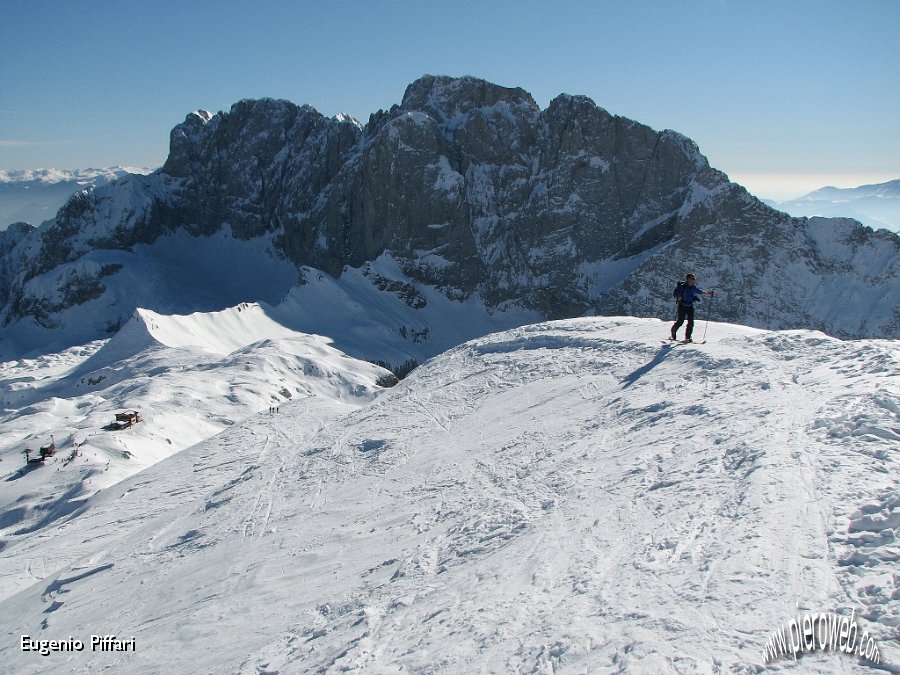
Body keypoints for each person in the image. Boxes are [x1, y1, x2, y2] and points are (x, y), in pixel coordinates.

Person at [671, 273, 714, 342]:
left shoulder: (692, 287)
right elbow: (675, 294)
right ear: (688, 279)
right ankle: (673, 331)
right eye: (692, 279)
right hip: (682, 306)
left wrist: (708, 293)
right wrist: (678, 296)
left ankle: (688, 337)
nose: (693, 280)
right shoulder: (682, 287)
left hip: (689, 306)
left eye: (693, 279)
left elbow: (699, 291)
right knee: (680, 321)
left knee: (691, 322)